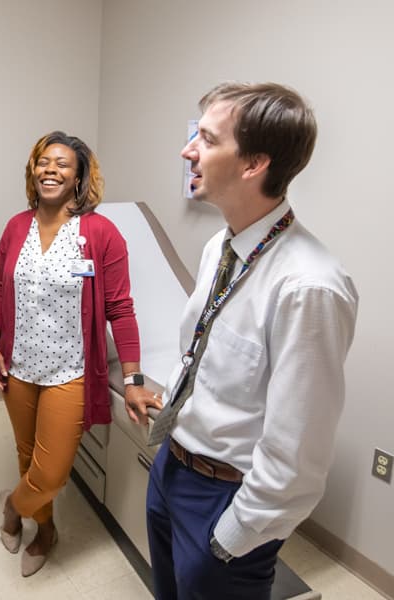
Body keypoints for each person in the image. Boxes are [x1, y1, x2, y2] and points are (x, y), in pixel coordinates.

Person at [145, 82, 358, 599]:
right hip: (172, 468)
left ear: (252, 165)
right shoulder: (222, 244)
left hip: (225, 499)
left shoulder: (309, 287)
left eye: (207, 139)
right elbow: (202, 348)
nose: (187, 149)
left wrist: (232, 538)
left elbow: (299, 454)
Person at [0, 131, 161, 577]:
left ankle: (12, 506)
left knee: (50, 473)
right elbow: (0, 287)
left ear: (80, 175)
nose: (50, 169)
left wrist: (136, 380)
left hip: (71, 372)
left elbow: (121, 309)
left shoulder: (101, 233)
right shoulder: (15, 227)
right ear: (33, 170)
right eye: (43, 161)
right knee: (27, 454)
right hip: (19, 365)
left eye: (62, 163)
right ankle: (46, 531)